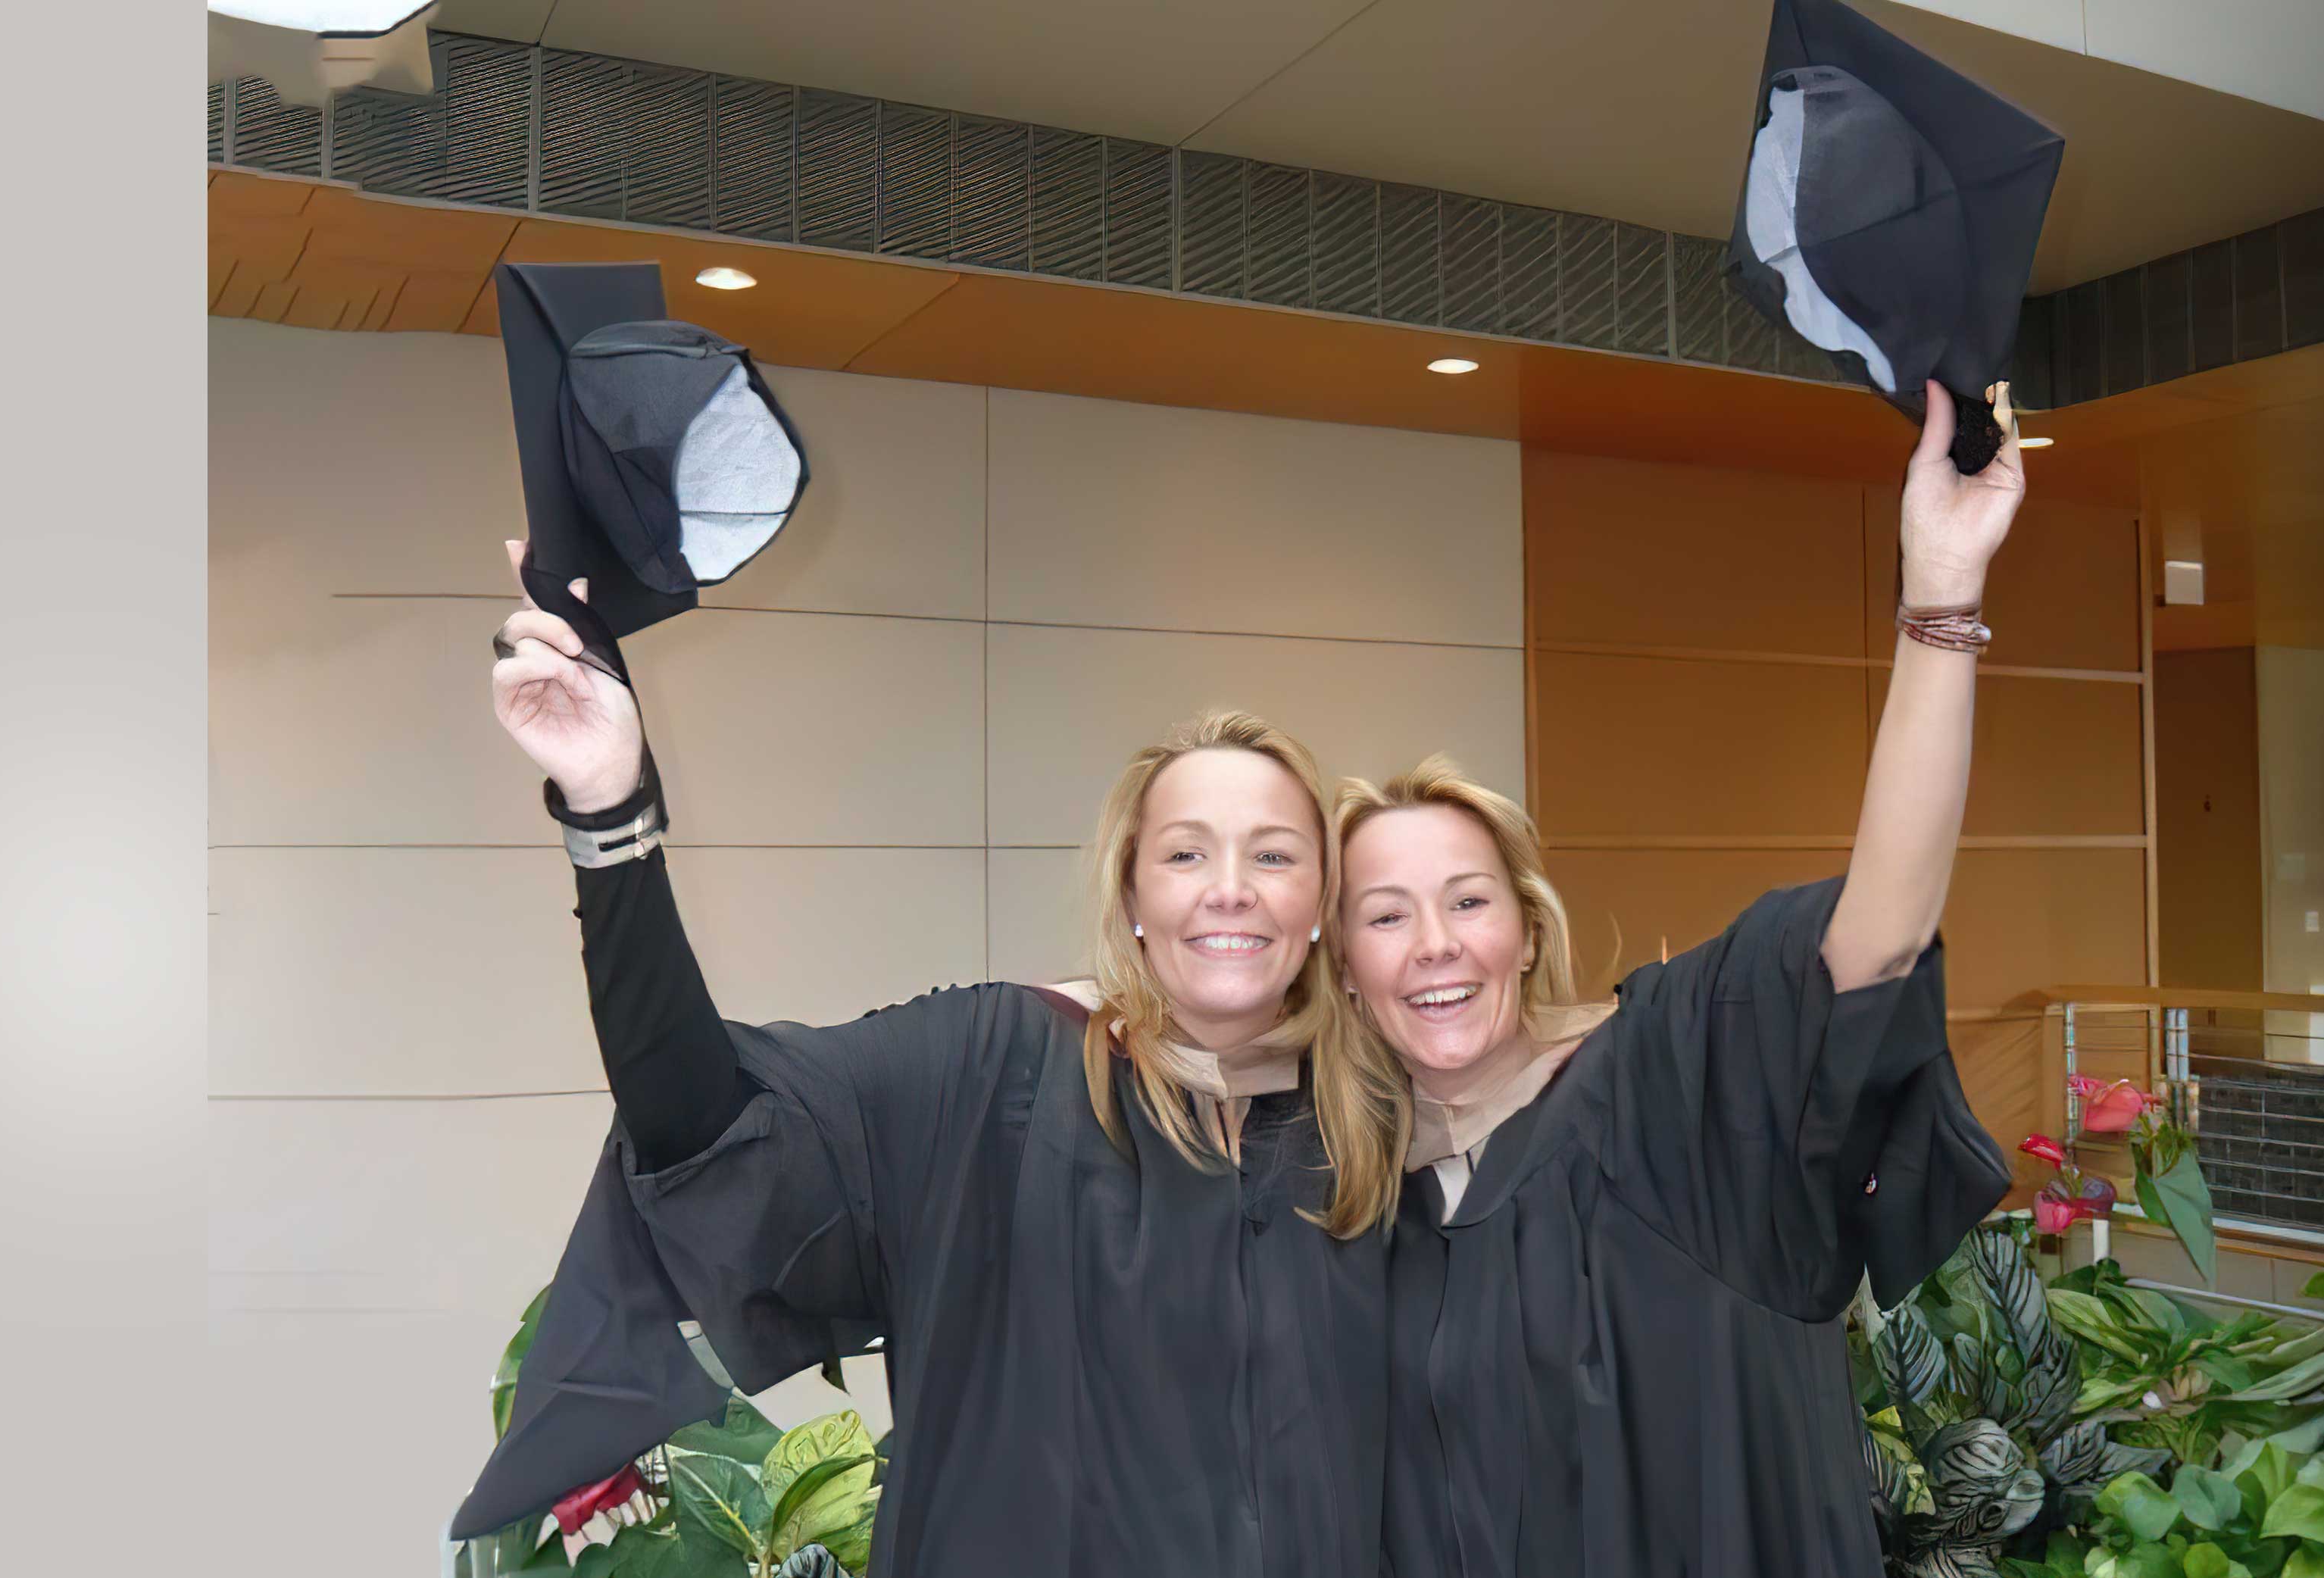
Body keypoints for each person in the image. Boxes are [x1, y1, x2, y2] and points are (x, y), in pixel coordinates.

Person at [449, 540, 1411, 1578]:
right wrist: (610, 809)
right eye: (1185, 853)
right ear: (1132, 896)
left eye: (1274, 854)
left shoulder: (1378, 1131)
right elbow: (702, 1122)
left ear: (1322, 903)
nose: (1231, 887)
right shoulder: (996, 1074)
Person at [1343, 383, 2024, 1578]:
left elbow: (1875, 937)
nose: (1434, 943)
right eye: (1385, 916)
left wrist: (1940, 600)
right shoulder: (1339, 1199)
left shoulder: (1672, 1090)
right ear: (1347, 972)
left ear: (1528, 930)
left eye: (1468, 901)